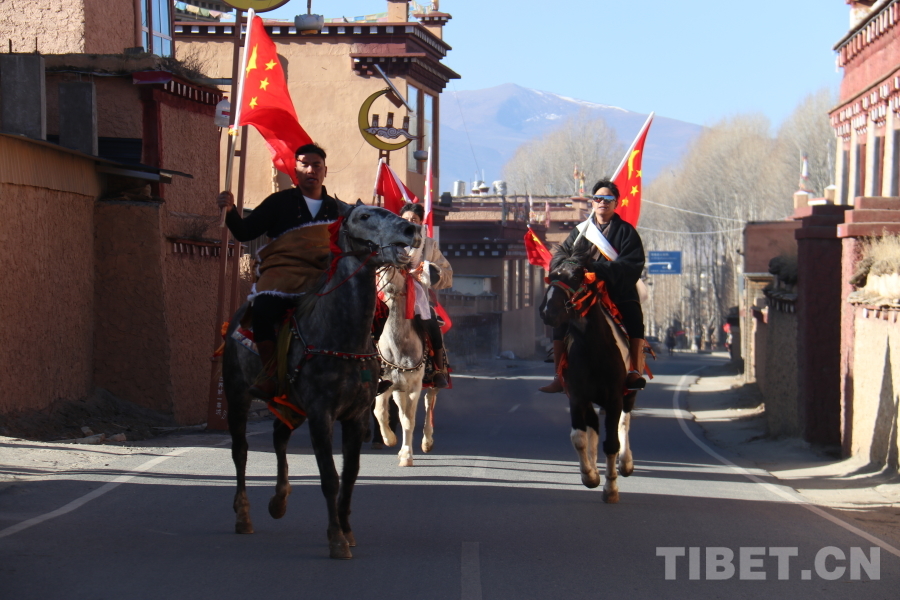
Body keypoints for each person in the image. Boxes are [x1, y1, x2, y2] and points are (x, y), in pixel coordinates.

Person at [216, 143, 344, 400]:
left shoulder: (338, 209)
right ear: (295, 171)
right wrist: (229, 212)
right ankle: (270, 375)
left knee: (363, 309)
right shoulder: (279, 202)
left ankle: (365, 372)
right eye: (304, 165)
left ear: (325, 170)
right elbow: (245, 232)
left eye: (316, 165)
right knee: (263, 309)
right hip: (283, 275)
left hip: (322, 278)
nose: (311, 170)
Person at [539, 179, 648, 393]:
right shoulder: (580, 232)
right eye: (598, 198)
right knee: (561, 319)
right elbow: (560, 256)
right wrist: (573, 269)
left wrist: (596, 269)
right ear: (592, 202)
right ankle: (558, 375)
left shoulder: (626, 232)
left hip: (616, 289)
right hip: (583, 290)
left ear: (616, 203)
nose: (602, 202)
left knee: (634, 318)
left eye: (607, 199)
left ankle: (634, 371)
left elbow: (632, 263)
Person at [396, 202, 453, 388]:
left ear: (421, 222)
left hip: (417, 293)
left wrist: (427, 271)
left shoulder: (429, 245)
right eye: (406, 219)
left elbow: (446, 272)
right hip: (392, 290)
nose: (410, 222)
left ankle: (438, 369)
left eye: (414, 219)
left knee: (431, 323)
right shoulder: (390, 239)